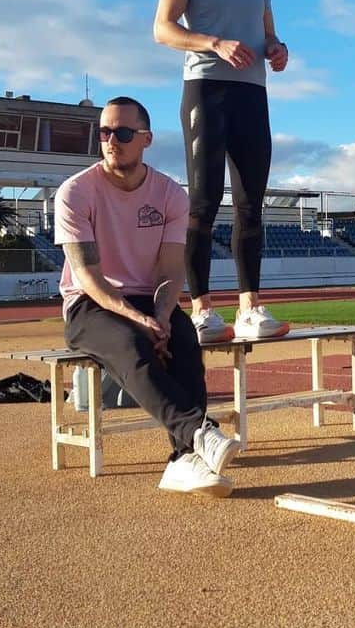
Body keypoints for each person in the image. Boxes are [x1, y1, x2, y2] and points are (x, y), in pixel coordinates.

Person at [54, 96, 240, 496]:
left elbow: (172, 271)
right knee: (129, 343)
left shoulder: (171, 194)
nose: (110, 141)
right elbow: (87, 277)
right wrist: (141, 322)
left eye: (121, 132)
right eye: (104, 132)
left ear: (146, 139)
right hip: (90, 304)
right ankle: (198, 435)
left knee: (186, 341)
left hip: (148, 296)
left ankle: (181, 460)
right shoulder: (74, 193)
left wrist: (160, 315)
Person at [153, 0, 291, 345]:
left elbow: (268, 31)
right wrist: (213, 42)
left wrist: (277, 49)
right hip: (207, 89)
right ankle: (202, 311)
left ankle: (250, 307)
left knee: (253, 204)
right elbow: (163, 29)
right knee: (204, 202)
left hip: (252, 94)